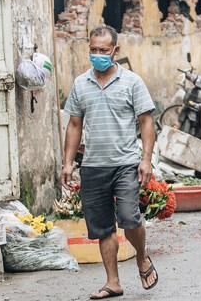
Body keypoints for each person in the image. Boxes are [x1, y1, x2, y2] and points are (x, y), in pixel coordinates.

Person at [61, 25, 158, 299]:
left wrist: (146, 159)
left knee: (129, 218)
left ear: (116, 50)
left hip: (126, 163)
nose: (98, 55)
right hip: (93, 166)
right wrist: (68, 163)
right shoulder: (81, 84)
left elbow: (146, 122)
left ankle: (141, 257)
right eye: (93, 50)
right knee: (102, 226)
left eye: (104, 50)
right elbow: (74, 125)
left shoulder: (132, 82)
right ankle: (113, 282)